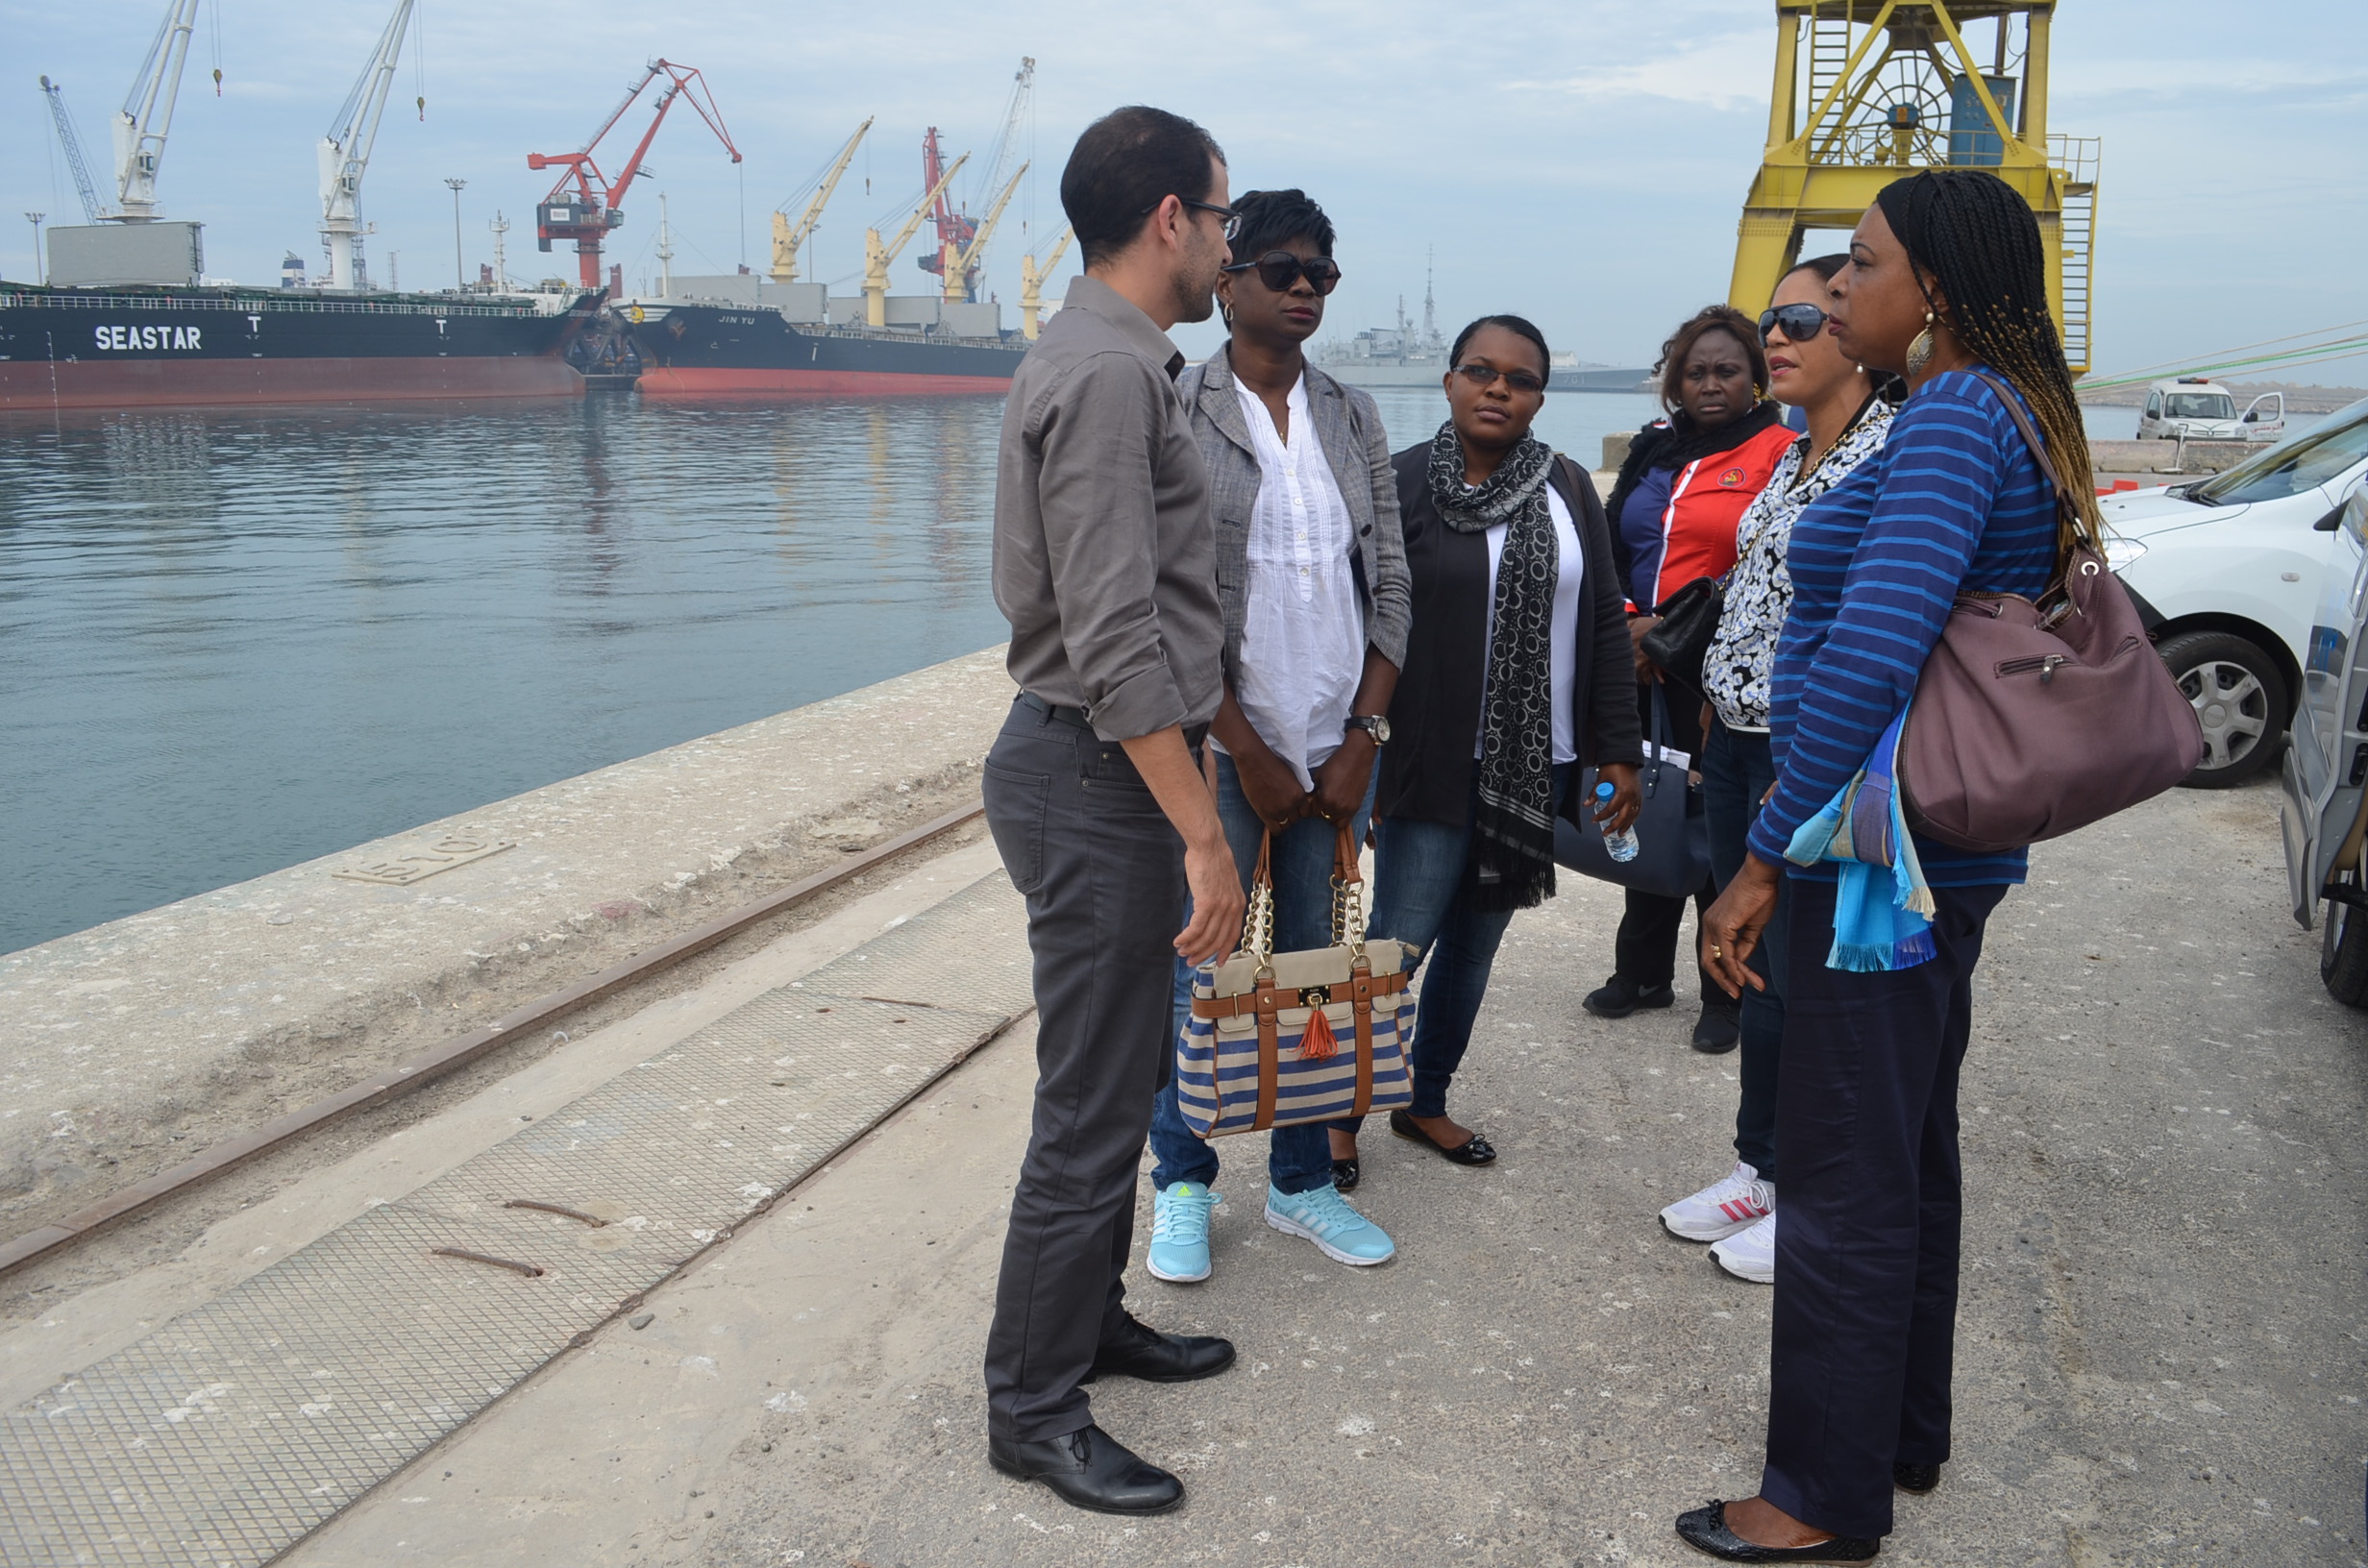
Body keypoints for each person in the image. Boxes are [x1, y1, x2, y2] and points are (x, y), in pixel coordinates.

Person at [1677, 170, 2084, 1561]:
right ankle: (1900, 1431)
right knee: (1906, 1148)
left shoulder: (1958, 414)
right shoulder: (2006, 408)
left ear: (1944, 290)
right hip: (1932, 862)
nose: (1841, 290)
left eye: (1865, 264)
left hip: (1870, 861)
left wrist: (1761, 857)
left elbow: (1871, 650)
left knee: (1846, 1170)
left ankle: (1818, 1498)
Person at [979, 105, 1244, 1519]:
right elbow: (1112, 628)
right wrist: (1201, 829)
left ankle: (1082, 1326)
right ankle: (1032, 1407)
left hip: (1103, 767)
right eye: (1221, 210)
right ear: (1168, 221)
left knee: (1120, 1078)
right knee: (1088, 1111)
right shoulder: (1107, 374)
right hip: (1099, 774)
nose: (1227, 238)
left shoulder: (1119, 360)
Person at [1143, 188, 1412, 1281]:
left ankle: (1301, 1182)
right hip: (1223, 745)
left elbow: (1388, 583)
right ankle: (1183, 1183)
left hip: (1335, 740)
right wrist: (1241, 745)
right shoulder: (1177, 406)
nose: (1304, 289)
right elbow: (1164, 600)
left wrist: (1364, 734)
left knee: (1309, 964)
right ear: (1227, 278)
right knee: (1203, 965)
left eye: (1321, 275)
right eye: (1283, 270)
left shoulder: (1353, 413)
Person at [1325, 316, 1644, 1180]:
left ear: (1542, 396)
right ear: (1450, 382)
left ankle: (1424, 1101)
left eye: (1521, 378)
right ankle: (1340, 1116)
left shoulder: (1569, 487)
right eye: (1480, 371)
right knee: (1401, 941)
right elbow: (1355, 629)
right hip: (1425, 762)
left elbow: (1606, 629)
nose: (1499, 389)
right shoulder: (1396, 487)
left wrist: (1620, 750)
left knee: (1475, 946)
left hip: (1530, 766)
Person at [1656, 257, 1895, 1286]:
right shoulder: (1794, 452)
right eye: (1773, 320)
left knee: (1806, 971)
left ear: (1856, 327)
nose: (1777, 340)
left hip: (1816, 753)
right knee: (1747, 964)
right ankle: (1762, 1163)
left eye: (1802, 316)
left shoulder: (1889, 450)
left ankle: (1813, 1189)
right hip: (1739, 737)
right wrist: (1714, 710)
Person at [1590, 307, 1796, 1051]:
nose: (1709, 384)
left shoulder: (1781, 453)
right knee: (1643, 809)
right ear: (1674, 381)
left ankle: (1726, 992)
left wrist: (1670, 640)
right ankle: (1641, 973)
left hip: (1718, 670)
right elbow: (1609, 544)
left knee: (1717, 830)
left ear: (1755, 377)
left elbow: (1767, 569)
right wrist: (1623, 628)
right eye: (1694, 372)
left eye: (1726, 371)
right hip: (1636, 662)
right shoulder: (1654, 451)